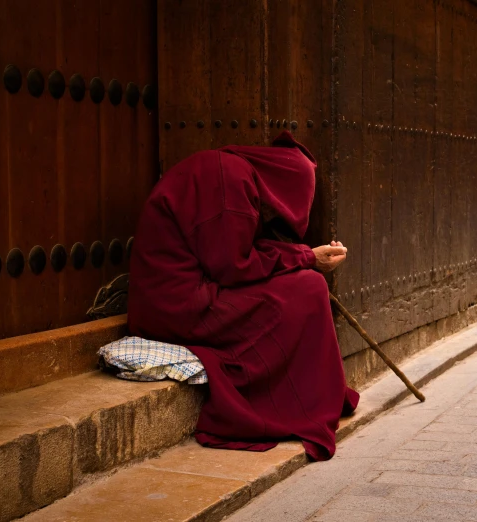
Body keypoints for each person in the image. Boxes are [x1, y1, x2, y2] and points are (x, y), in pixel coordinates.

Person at [127, 131, 359, 461]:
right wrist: (306, 258)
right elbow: (233, 266)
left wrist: (304, 254)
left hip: (183, 295)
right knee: (308, 288)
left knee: (305, 283)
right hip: (178, 305)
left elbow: (232, 251)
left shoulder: (230, 171)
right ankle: (296, 402)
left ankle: (313, 395)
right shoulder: (231, 180)